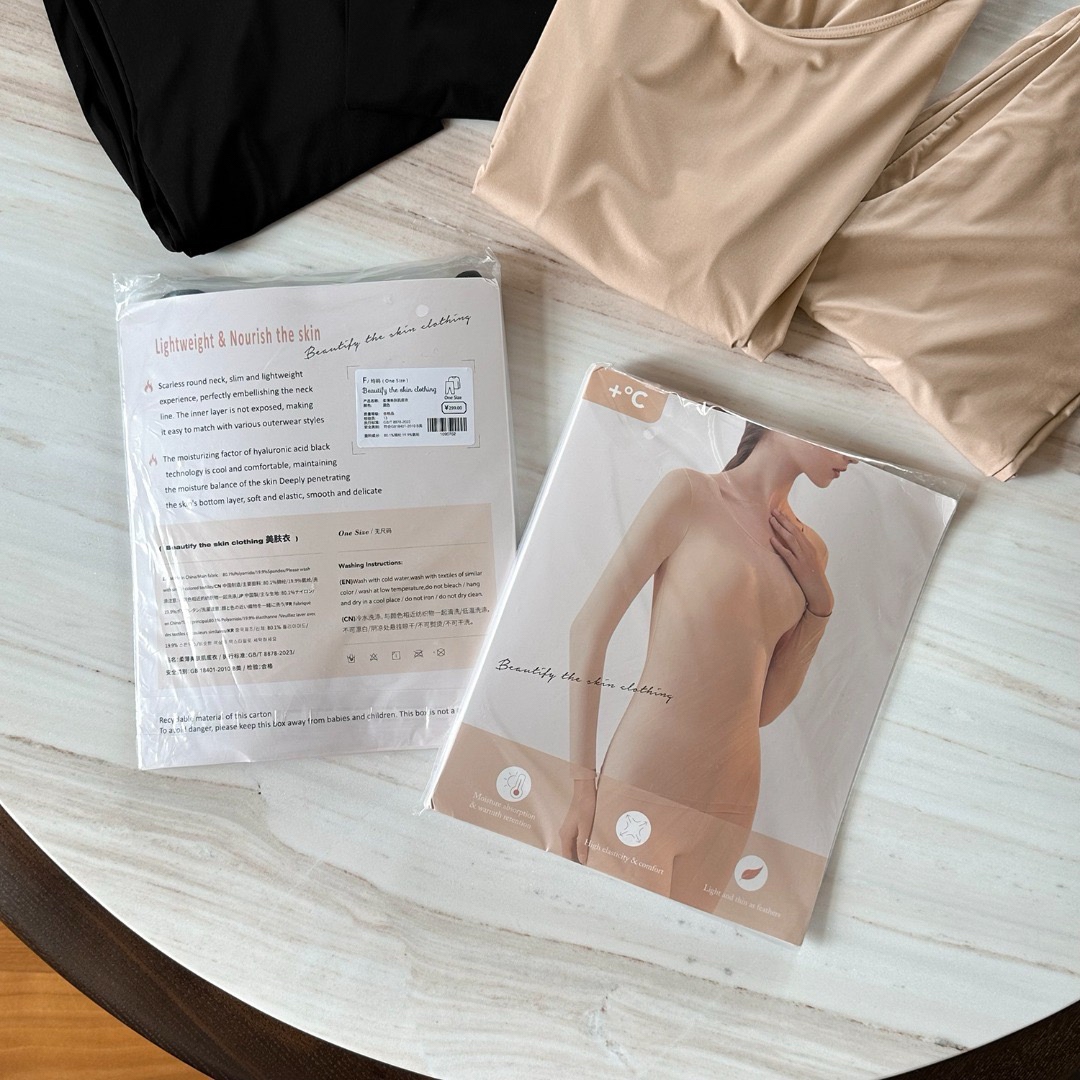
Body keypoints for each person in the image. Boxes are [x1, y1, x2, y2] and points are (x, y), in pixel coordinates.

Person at [559, 423, 854, 907]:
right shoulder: (691, 494)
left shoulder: (811, 553)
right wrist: (580, 785)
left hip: (732, 800)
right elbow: (589, 628)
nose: (854, 456)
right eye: (840, 432)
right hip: (647, 774)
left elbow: (764, 709)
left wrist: (820, 606)